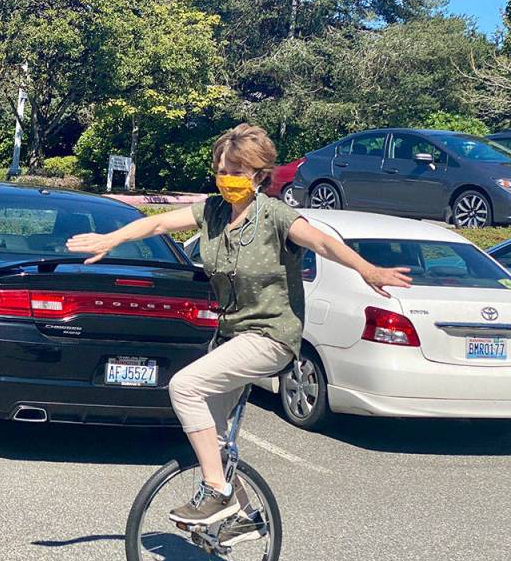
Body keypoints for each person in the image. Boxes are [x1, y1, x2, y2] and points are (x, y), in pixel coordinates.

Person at [66, 124, 411, 532]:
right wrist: (110, 240)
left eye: (237, 170)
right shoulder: (212, 211)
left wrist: (367, 269)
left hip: (271, 336)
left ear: (260, 176)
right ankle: (243, 513)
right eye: (222, 168)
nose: (227, 177)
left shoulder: (275, 216)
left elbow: (321, 243)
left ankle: (217, 491)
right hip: (231, 337)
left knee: (184, 387)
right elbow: (155, 226)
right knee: (208, 434)